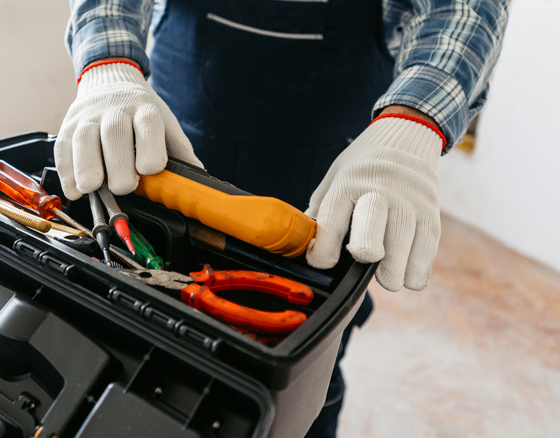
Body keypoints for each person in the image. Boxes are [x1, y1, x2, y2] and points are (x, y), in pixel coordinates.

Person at [57, 0, 509, 436]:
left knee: (303, 372)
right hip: (172, 136)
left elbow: (465, 5)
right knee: (156, 364)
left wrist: (415, 121)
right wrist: (107, 66)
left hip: (337, 166)